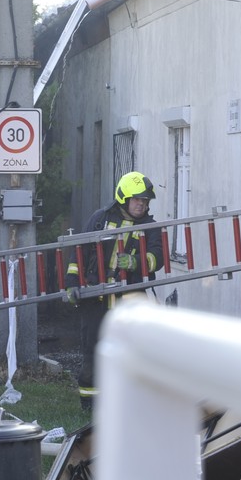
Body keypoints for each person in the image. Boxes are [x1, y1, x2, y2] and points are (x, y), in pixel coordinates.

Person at [63, 171, 163, 411]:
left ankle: (130, 403)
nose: (142, 204)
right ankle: (90, 406)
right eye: (137, 199)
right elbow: (80, 253)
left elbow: (158, 257)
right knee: (93, 350)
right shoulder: (100, 219)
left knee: (134, 352)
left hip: (130, 300)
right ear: (124, 198)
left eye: (145, 200)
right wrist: (71, 283)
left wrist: (136, 262)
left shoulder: (150, 227)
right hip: (95, 299)